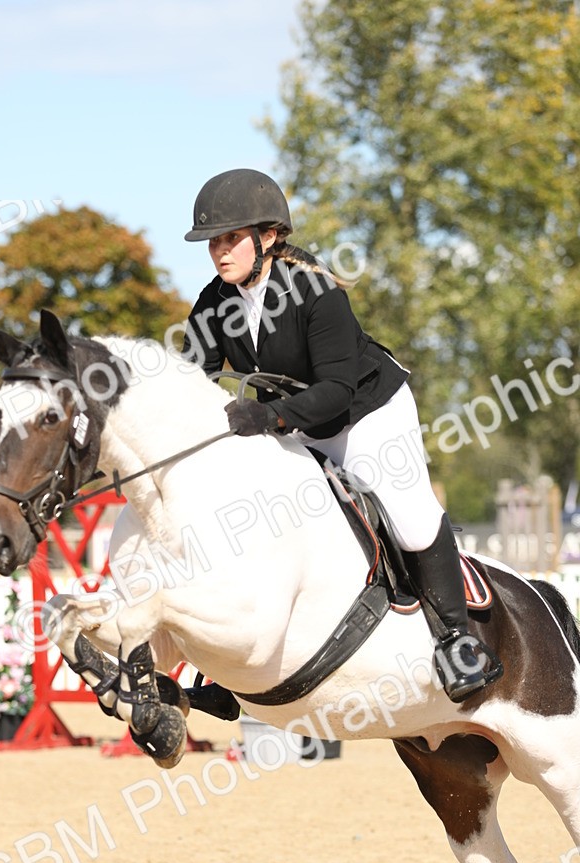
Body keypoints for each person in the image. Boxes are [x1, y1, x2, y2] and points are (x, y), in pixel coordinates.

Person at [181, 167, 502, 707]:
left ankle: (457, 638)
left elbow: (334, 390)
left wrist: (269, 418)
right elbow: (192, 376)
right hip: (293, 420)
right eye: (212, 242)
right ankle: (224, 668)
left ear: (268, 237)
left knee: (408, 510)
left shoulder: (315, 290)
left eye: (230, 238)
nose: (218, 251)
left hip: (366, 412)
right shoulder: (215, 300)